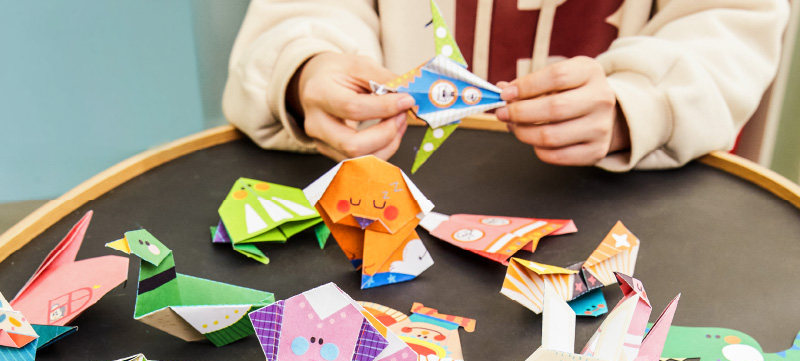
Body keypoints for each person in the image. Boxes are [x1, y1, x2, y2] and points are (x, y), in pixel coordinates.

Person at [222, 0, 788, 171]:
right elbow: (307, 11)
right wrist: (307, 68)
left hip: (620, 198)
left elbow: (728, 26)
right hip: (390, 189)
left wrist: (636, 104)